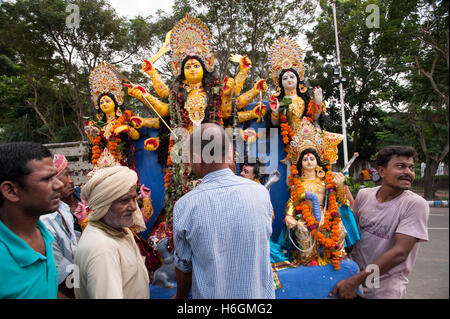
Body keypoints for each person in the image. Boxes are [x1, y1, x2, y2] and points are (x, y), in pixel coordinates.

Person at [126, 14, 267, 245]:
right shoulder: (176, 94)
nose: (192, 68)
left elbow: (228, 106)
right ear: (181, 70)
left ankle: (223, 228)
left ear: (205, 66)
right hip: (184, 149)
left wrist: (241, 73)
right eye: (188, 65)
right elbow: (162, 106)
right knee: (183, 189)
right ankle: (184, 231)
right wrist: (145, 87)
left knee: (218, 191)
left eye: (196, 64)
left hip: (213, 149)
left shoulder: (214, 91)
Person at [173, 123, 275, 299]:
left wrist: (180, 297)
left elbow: (184, 265)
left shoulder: (185, 205)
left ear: (197, 158)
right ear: (229, 153)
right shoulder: (261, 194)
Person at [331, 145, 429, 299]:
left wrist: (354, 281)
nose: (408, 172)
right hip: (352, 280)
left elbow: (399, 253)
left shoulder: (415, 204)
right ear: (381, 171)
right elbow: (351, 237)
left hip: (383, 290)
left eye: (411, 168)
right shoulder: (364, 195)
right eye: (401, 166)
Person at [74, 165, 150, 299]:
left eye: (134, 198)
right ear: (103, 205)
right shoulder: (102, 249)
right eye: (124, 200)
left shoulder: (121, 230)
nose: (133, 207)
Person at [0, 142, 62, 299]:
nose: (59, 184)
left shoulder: (44, 234)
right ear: (11, 191)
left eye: (56, 175)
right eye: (47, 179)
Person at [40, 154, 82, 299]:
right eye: (64, 175)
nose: (71, 181)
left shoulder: (63, 208)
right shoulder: (44, 223)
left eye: (70, 174)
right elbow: (64, 276)